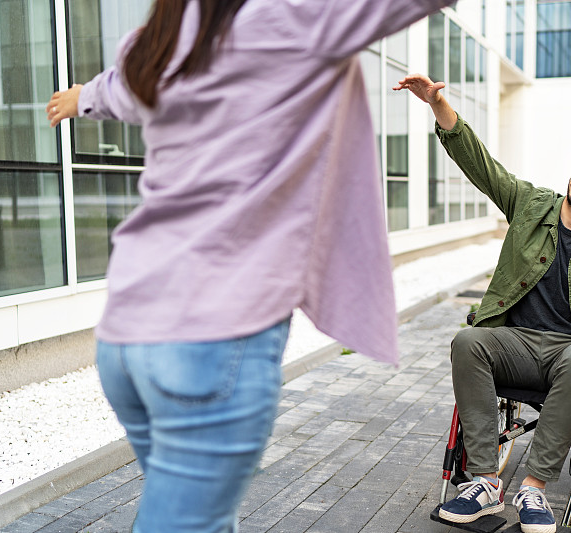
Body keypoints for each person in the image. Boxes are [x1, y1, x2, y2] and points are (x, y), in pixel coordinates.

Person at [45, 2, 454, 531]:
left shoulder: (162, 35)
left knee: (198, 516)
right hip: (210, 342)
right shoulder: (289, 17)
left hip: (126, 336)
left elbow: (117, 89)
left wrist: (81, 99)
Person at [394, 74, 571, 533]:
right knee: (469, 339)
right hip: (512, 342)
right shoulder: (531, 205)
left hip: (568, 353)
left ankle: (533, 487)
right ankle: (487, 483)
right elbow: (481, 164)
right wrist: (438, 106)